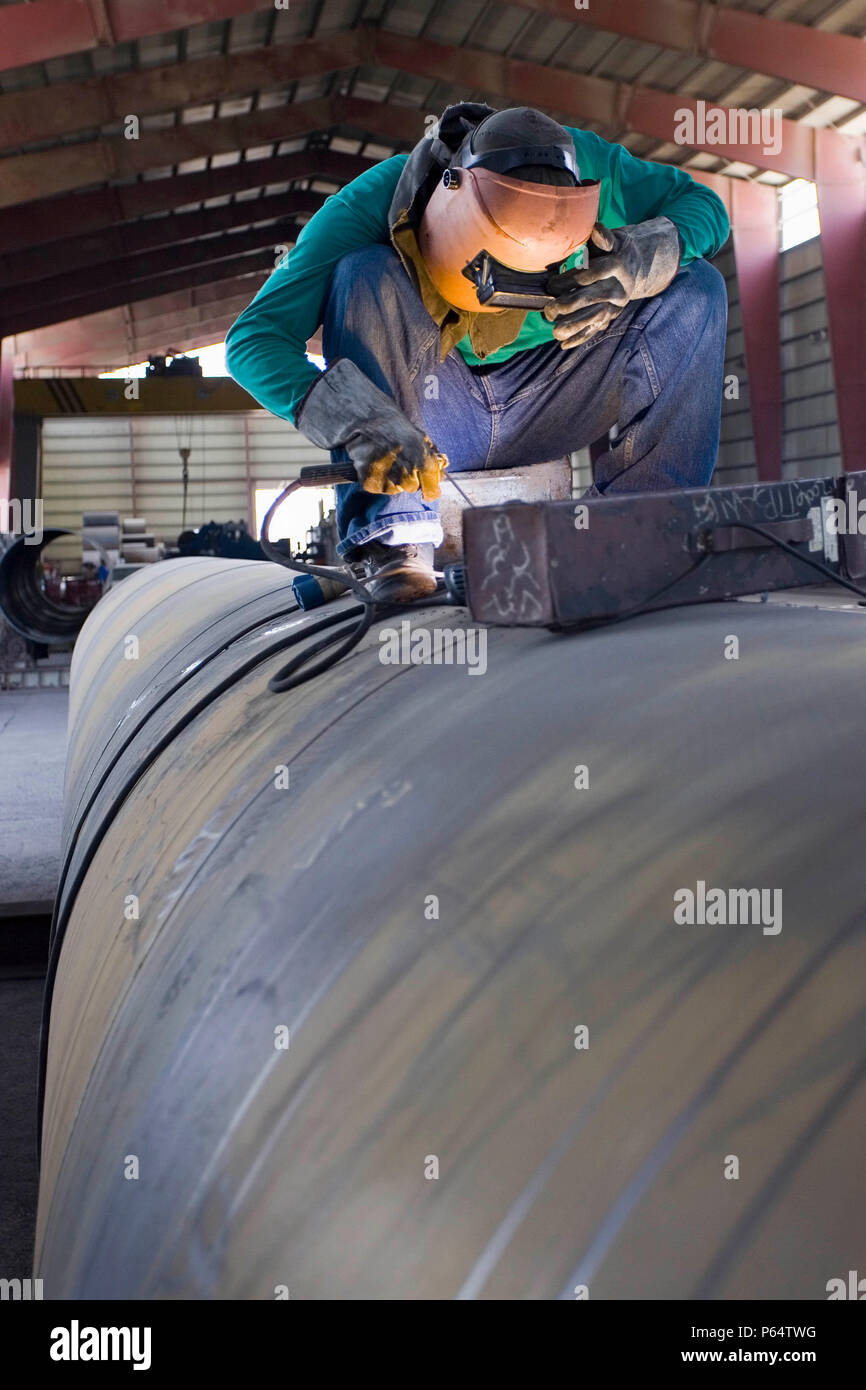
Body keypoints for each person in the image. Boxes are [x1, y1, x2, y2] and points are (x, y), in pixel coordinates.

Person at [227, 105, 729, 602]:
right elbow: (253, 340)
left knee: (695, 286)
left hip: (553, 402)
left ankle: (643, 527)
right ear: (451, 203)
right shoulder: (369, 204)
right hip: (424, 427)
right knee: (365, 272)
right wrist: (354, 417)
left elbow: (705, 206)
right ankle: (395, 543)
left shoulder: (593, 168)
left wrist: (648, 254)